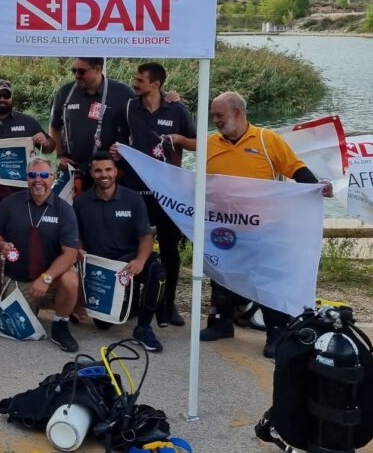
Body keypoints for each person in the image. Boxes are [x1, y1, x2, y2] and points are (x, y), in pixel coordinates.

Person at [201, 91, 333, 357]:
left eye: (219, 115)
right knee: (220, 277)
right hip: (225, 227)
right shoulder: (210, 143)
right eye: (213, 115)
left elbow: (296, 170)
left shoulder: (267, 139)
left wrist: (315, 188)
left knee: (268, 280)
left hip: (265, 227)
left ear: (238, 113)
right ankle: (221, 323)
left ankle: (276, 334)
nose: (215, 120)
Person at [112, 62, 197, 328]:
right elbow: (118, 140)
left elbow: (197, 144)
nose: (134, 83)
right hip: (136, 190)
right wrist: (117, 153)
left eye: (139, 80)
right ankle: (135, 301)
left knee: (170, 250)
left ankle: (167, 305)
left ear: (155, 84)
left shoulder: (177, 109)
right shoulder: (128, 107)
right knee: (133, 246)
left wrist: (180, 141)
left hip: (169, 192)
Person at [74, 153, 166, 352]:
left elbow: (146, 237)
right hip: (102, 268)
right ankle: (127, 303)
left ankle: (144, 327)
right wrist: (80, 249)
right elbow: (77, 236)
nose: (103, 174)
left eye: (108, 169)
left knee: (156, 271)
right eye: (98, 170)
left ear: (116, 171)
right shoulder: (81, 202)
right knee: (104, 325)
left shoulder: (133, 199)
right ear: (91, 172)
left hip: (128, 261)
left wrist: (141, 261)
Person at [0, 157, 81, 352]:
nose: (38, 180)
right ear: (27, 178)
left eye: (44, 175)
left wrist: (46, 278)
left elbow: (70, 254)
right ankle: (32, 308)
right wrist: (2, 244)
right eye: (33, 175)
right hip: (20, 279)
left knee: (70, 279)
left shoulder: (64, 209)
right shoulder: (10, 203)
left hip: (52, 278)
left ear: (53, 178)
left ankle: (60, 325)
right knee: (15, 329)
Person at [49, 58, 131, 193]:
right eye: (74, 70)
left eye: (81, 71)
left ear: (98, 69)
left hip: (108, 172)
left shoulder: (123, 93)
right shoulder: (65, 92)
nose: (76, 75)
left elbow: (144, 115)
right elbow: (55, 126)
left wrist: (168, 97)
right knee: (66, 211)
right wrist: (59, 155)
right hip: (73, 170)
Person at [0, 78, 53, 200]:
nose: (2, 99)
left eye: (6, 95)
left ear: (12, 98)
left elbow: (49, 148)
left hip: (24, 192)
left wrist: (45, 142)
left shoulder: (29, 122)